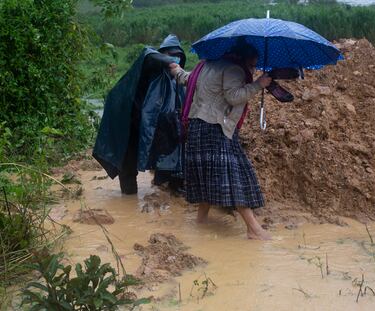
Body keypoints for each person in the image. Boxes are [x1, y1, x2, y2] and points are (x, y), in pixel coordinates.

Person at [171, 41, 273, 240]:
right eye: (252, 64)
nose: (253, 68)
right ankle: (253, 229)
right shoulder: (234, 69)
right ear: (243, 58)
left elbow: (187, 79)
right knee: (234, 178)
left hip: (197, 127)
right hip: (215, 128)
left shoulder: (206, 65)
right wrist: (258, 84)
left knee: (207, 177)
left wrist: (175, 69)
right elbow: (234, 97)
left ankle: (201, 222)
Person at [93, 34, 186, 195]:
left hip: (148, 125)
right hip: (128, 122)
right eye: (171, 55)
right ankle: (128, 200)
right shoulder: (150, 65)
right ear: (162, 54)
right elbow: (147, 53)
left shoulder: (174, 83)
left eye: (178, 56)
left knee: (170, 151)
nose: (175, 58)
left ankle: (168, 186)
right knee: (127, 164)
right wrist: (172, 64)